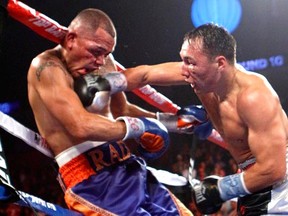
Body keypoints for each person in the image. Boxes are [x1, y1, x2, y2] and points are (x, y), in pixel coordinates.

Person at [27, 8, 210, 215]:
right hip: (91, 180)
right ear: (70, 39)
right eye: (95, 51)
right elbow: (79, 125)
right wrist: (140, 127)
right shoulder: (47, 67)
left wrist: (172, 122)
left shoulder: (104, 61)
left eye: (106, 54)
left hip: (128, 164)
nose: (100, 61)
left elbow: (122, 109)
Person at [121, 23, 288, 215]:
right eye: (183, 60)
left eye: (190, 62)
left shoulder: (254, 97)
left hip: (279, 183)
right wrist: (105, 81)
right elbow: (144, 75)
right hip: (255, 176)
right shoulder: (202, 76)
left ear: (220, 64)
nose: (184, 70)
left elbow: (275, 170)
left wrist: (220, 189)